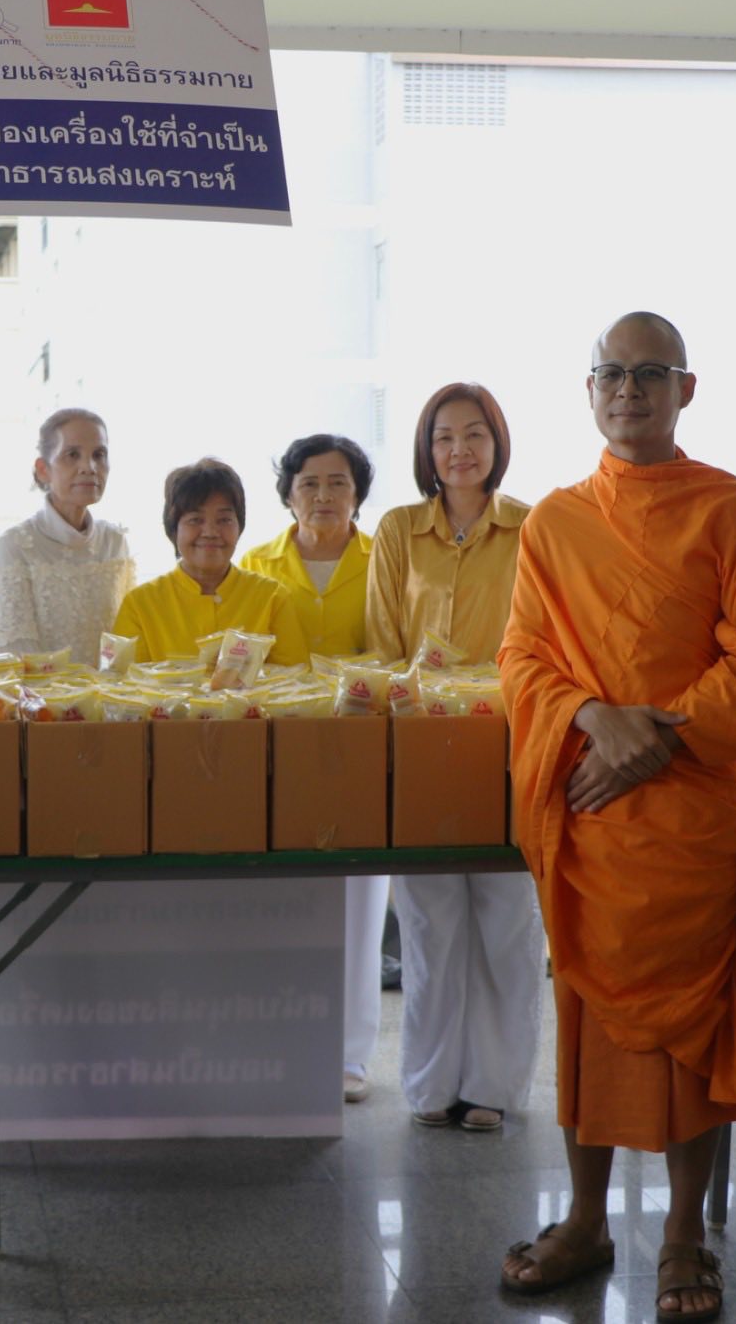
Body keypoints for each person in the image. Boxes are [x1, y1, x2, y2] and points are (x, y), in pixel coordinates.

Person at [498, 314, 736, 1322]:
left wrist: (662, 734)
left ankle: (683, 1231)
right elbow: (521, 660)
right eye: (610, 374)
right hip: (592, 807)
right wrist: (593, 718)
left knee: (693, 1027)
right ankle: (586, 1219)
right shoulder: (552, 523)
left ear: (686, 389)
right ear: (587, 389)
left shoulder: (728, 510)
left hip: (687, 812)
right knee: (588, 1016)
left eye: (649, 374)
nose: (627, 390)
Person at [365, 387, 543, 1129]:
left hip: (512, 740)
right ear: (426, 449)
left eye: (475, 434)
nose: (460, 450)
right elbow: (382, 643)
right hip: (424, 745)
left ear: (498, 443)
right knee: (433, 924)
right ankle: (433, 1086)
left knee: (507, 921)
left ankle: (495, 1089)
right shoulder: (400, 529)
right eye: (444, 437)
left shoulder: (533, 526)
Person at [239, 434, 381, 1102]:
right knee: (290, 898)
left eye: (338, 483)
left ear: (358, 492)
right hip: (282, 751)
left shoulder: (385, 559)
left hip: (363, 750)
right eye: (309, 483)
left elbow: (397, 646)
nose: (323, 496)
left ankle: (352, 1056)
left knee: (360, 897)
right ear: (287, 492)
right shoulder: (256, 562)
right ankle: (289, 1041)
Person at [110, 457, 306, 665]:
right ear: (173, 528)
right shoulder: (140, 604)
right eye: (195, 520)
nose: (211, 532)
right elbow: (124, 687)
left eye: (224, 520)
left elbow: (295, 679)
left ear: (239, 526)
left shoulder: (272, 597)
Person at [0, 407, 135, 666]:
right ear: (43, 469)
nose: (89, 467)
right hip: (42, 701)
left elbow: (125, 641)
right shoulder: (15, 546)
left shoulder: (115, 542)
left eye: (99, 455)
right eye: (72, 455)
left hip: (111, 700)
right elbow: (19, 652)